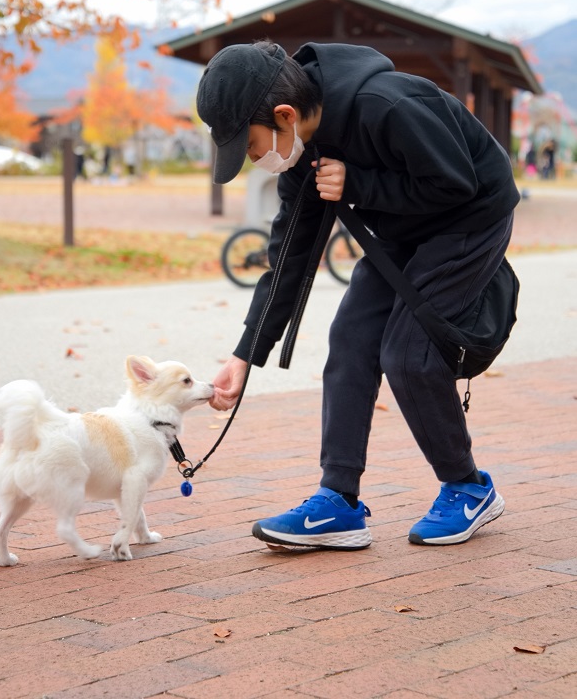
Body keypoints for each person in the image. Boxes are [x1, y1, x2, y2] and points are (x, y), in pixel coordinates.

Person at [197, 40, 520, 550]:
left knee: (407, 352)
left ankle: (467, 487)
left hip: (469, 218)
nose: (255, 159)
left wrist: (358, 185)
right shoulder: (300, 154)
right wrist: (245, 354)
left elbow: (456, 183)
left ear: (284, 115)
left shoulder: (389, 104)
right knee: (350, 339)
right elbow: (290, 257)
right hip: (401, 227)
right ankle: (339, 502)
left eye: (252, 146)